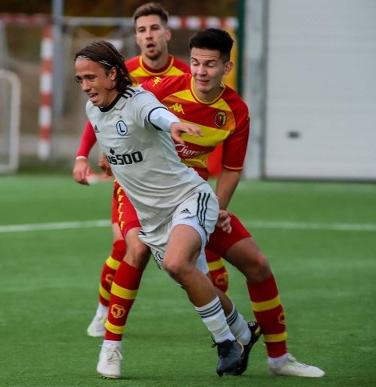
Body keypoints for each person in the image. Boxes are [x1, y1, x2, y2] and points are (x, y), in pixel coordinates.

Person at [74, 21, 324, 377]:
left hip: (191, 192)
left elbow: (232, 169)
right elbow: (117, 111)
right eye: (195, 62)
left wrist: (220, 208)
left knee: (256, 264)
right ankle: (110, 343)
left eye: (210, 64)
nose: (201, 71)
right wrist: (92, 153)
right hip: (141, 192)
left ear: (226, 67)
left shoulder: (235, 111)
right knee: (136, 251)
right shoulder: (161, 88)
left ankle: (277, 358)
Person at [74, 40, 250, 379]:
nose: (85, 86)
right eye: (79, 80)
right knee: (191, 279)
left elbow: (156, 113)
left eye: (91, 78)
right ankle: (244, 332)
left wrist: (173, 125)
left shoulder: (138, 100)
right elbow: (114, 141)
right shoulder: (93, 110)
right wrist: (98, 157)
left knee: (175, 263)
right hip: (153, 217)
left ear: (112, 74)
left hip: (188, 197)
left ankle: (226, 342)